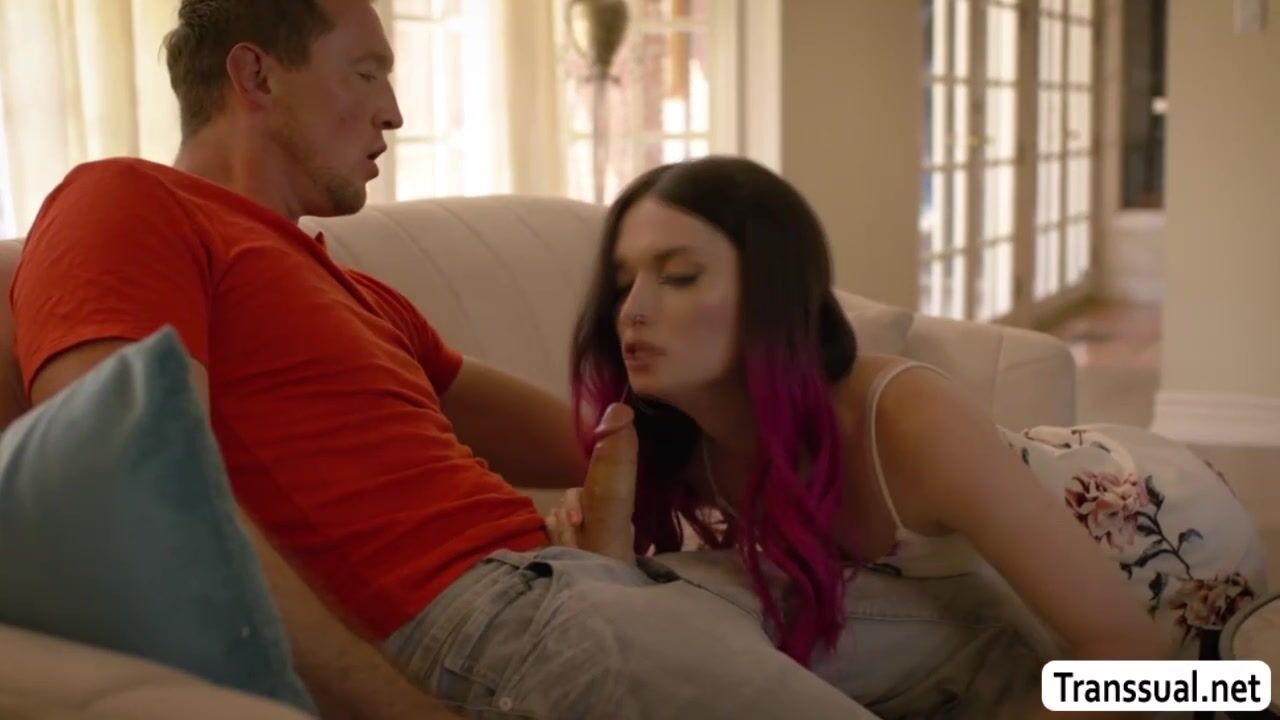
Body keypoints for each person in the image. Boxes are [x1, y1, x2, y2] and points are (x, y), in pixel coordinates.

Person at [10, 2, 961, 719]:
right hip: (501, 628)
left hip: (593, 585)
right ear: (256, 74)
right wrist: (397, 708)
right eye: (367, 72)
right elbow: (131, 478)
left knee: (986, 630)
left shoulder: (355, 291)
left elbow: (588, 436)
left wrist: (828, 437)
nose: (393, 112)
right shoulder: (127, 204)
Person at [550, 155, 1269, 717]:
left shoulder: (906, 419)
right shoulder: (686, 443)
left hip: (1168, 561)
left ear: (772, 294)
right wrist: (604, 539)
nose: (633, 309)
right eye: (622, 282)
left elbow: (1129, 655)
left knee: (1222, 692)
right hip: (990, 613)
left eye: (678, 275)